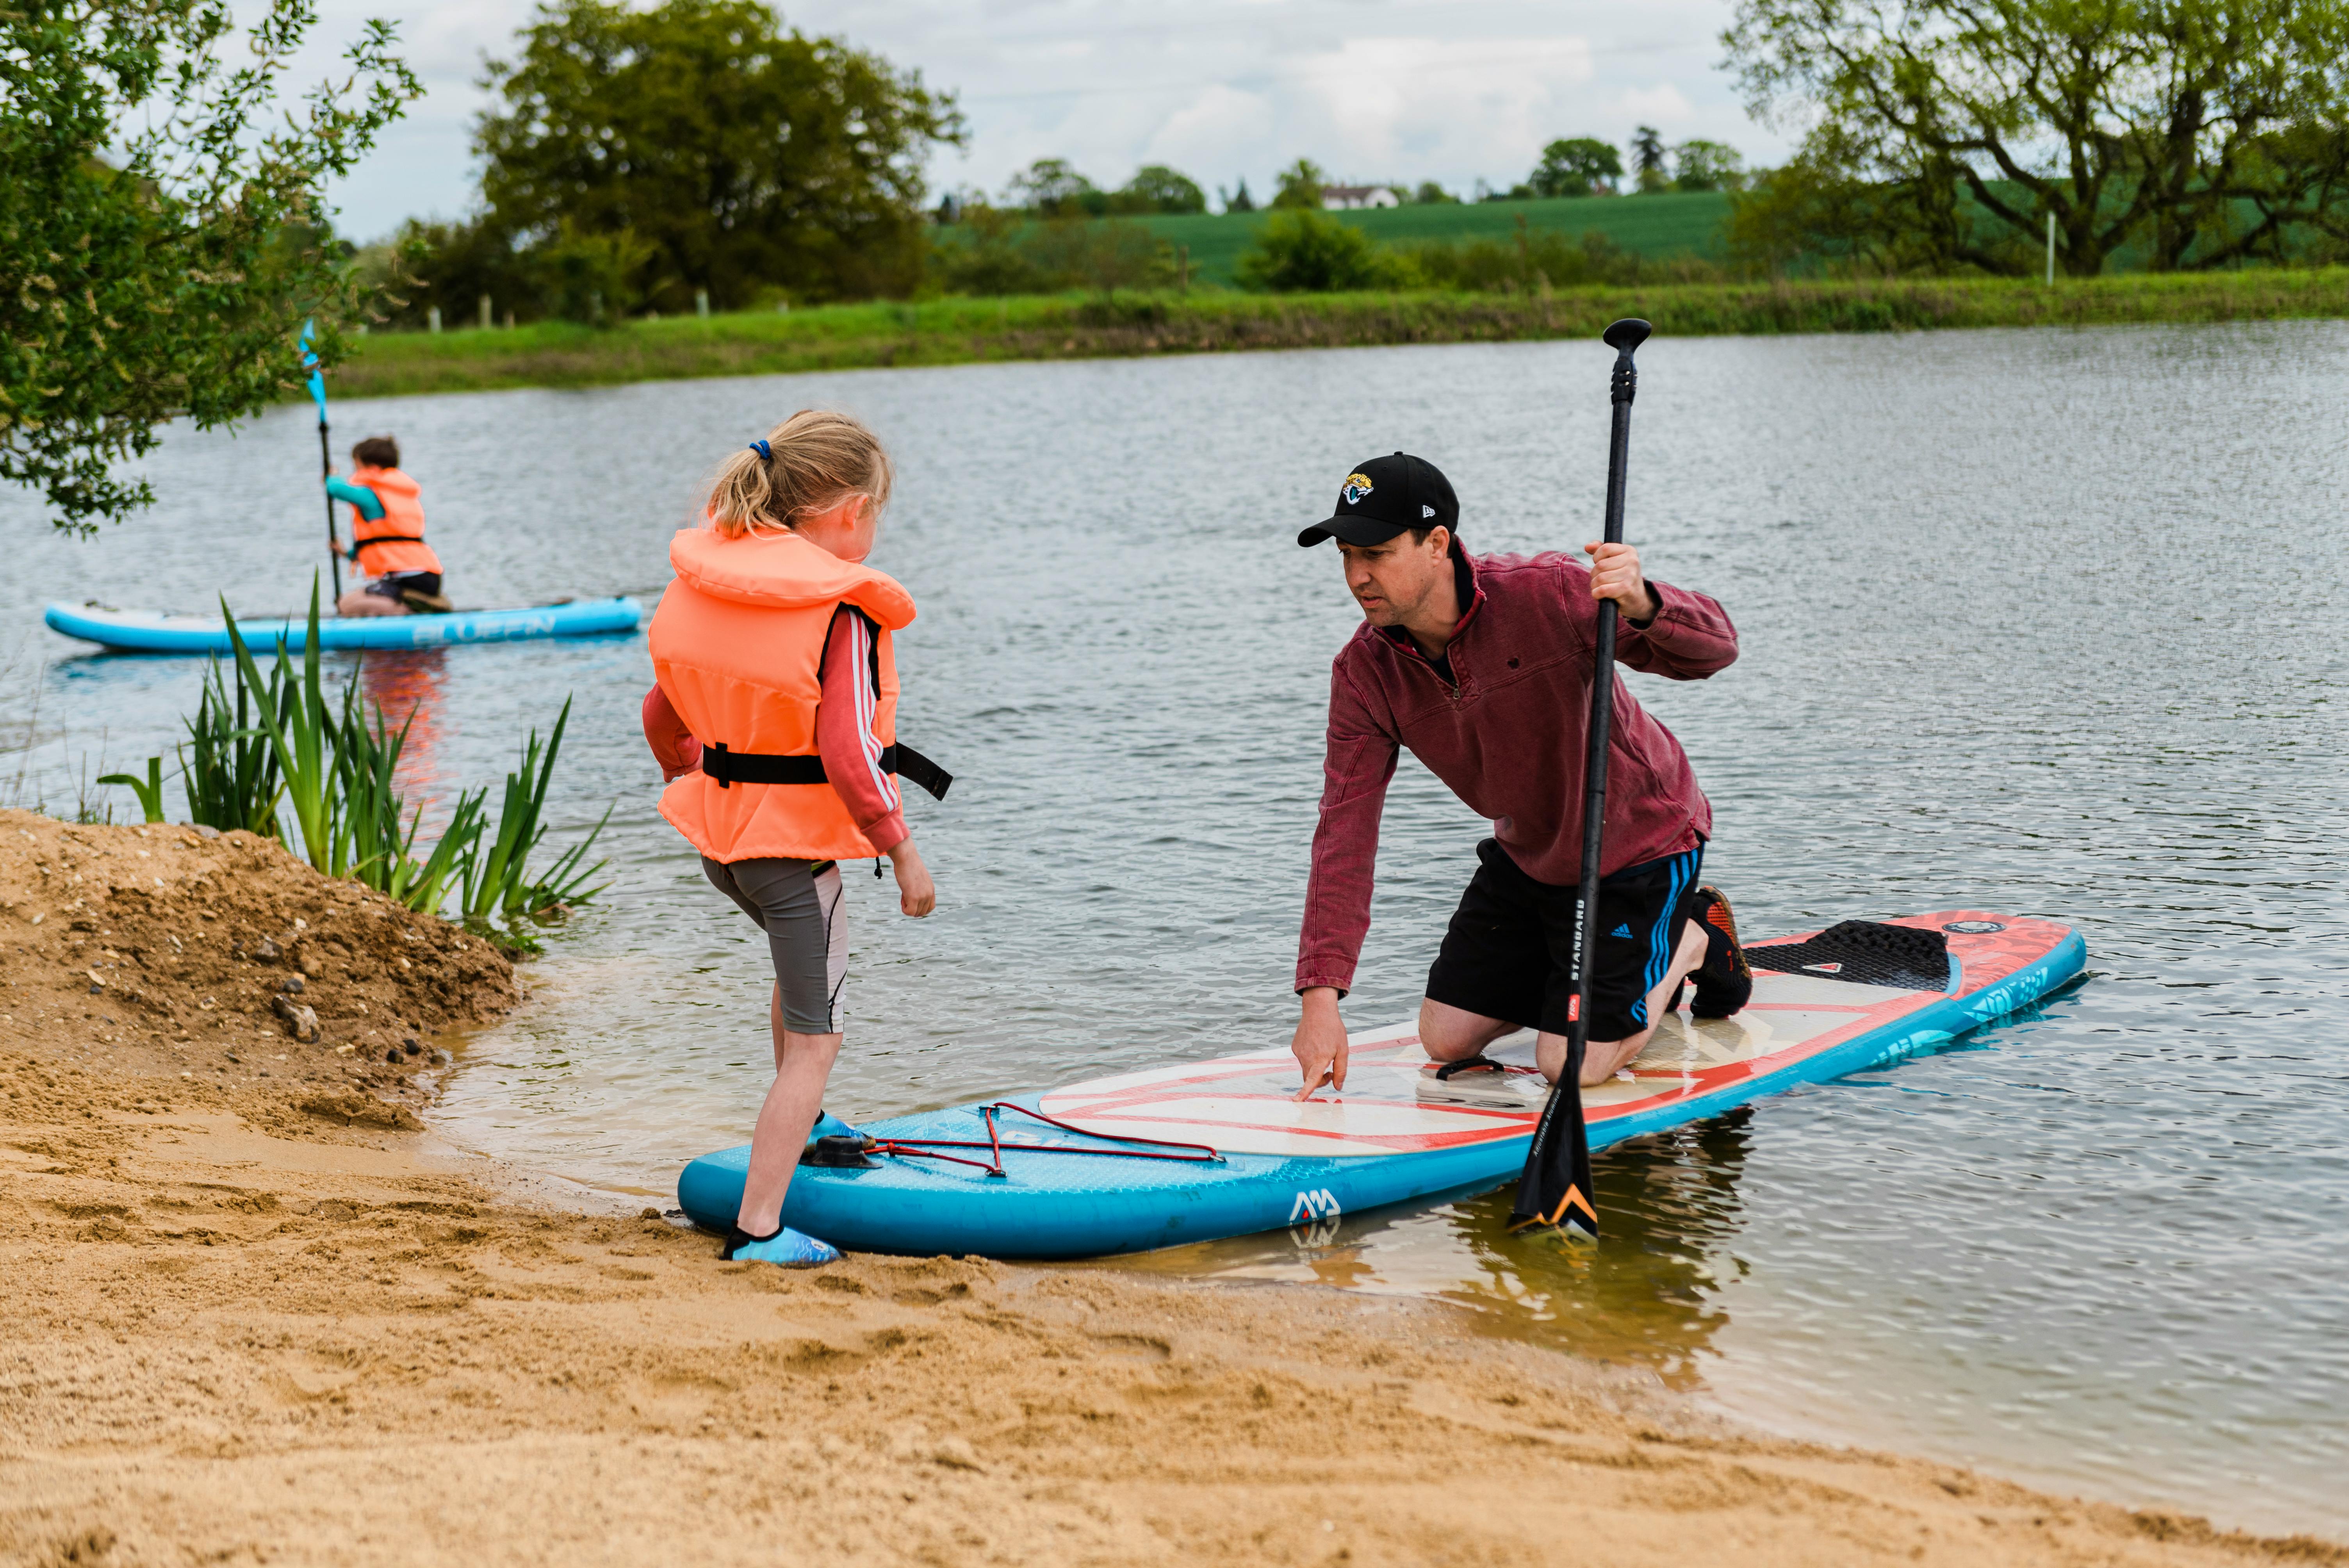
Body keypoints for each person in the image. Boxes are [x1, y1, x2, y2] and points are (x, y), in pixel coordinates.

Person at [1288, 451, 1749, 1101]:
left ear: (1437, 543)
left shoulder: (1547, 593)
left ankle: (1693, 936)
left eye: (1376, 553)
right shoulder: (1364, 676)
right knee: (1444, 1037)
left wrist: (1646, 602)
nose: (1357, 575)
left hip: (1637, 846)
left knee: (1570, 1064)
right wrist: (1321, 997)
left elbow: (1716, 649)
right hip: (1530, 858)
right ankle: (1583, 977)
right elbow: (1344, 831)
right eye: (1345, 556)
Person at [642, 410, 941, 1268]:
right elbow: (849, 753)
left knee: (795, 978)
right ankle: (760, 1229)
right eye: (875, 515)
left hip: (723, 843)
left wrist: (702, 771)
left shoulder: (707, 579)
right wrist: (900, 848)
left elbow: (661, 714)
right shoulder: (836, 607)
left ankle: (808, 1129)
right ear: (849, 512)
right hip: (792, 857)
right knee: (815, 1041)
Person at [328, 436, 449, 617]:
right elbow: (385, 541)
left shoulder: (373, 496)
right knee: (346, 602)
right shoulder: (398, 494)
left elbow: (336, 490)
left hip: (412, 579)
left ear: (373, 469)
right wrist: (347, 554)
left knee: (347, 606)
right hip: (424, 577)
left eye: (357, 467)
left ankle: (413, 610)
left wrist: (332, 476)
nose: (355, 473)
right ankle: (416, 605)